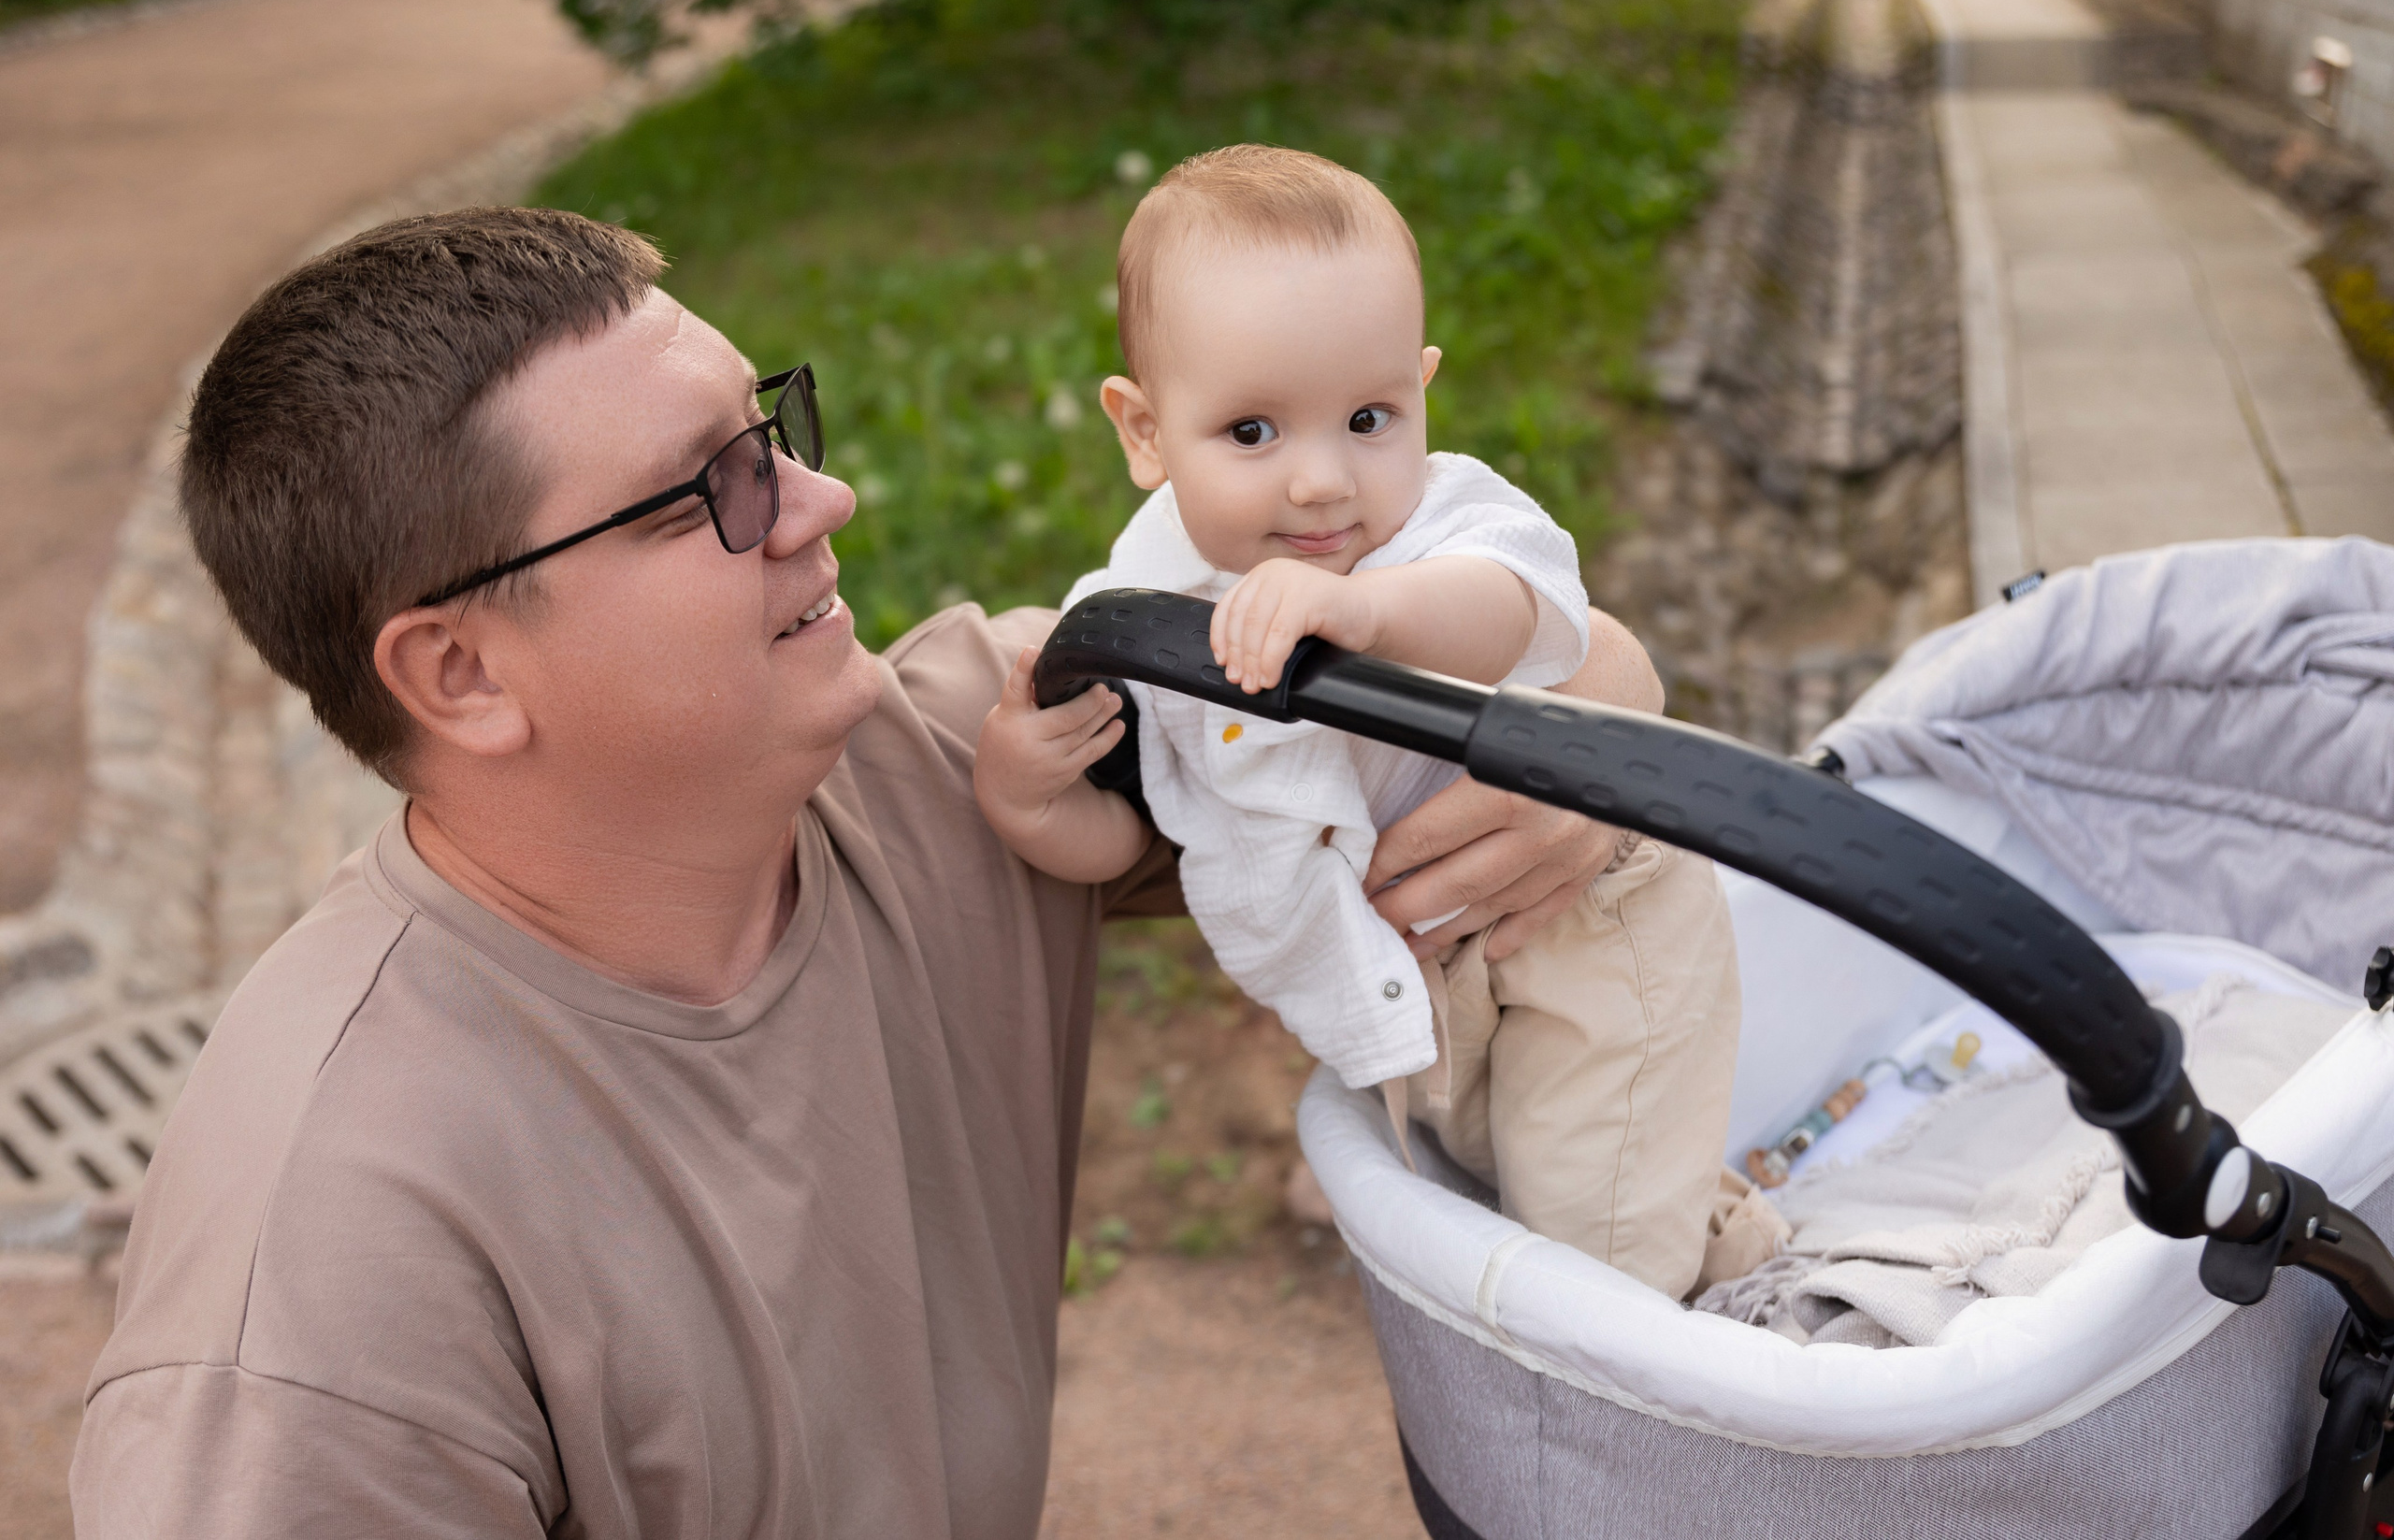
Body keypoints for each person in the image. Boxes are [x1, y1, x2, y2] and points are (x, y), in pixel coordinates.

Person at [70, 205, 1663, 1538]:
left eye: (768, 429)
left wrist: (1594, 729)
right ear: (462, 673)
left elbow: (1539, 657)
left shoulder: (957, 764)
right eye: (711, 489)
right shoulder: (321, 1297)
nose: (824, 500)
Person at [976, 147, 1777, 1301]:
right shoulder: (1141, 609)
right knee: (1533, 1182)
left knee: (1594, 1255)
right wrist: (1027, 800)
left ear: (1421, 390)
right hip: (1426, 965)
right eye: (1252, 432)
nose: (1322, 481)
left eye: (1367, 417)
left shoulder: (1437, 528)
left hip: (1583, 921)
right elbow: (1139, 835)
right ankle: (1732, 1258)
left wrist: (1369, 612)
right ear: (1144, 431)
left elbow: (1516, 607)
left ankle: (1650, 1365)